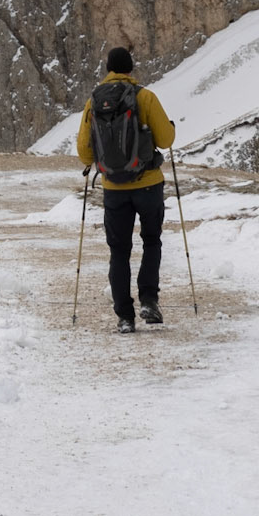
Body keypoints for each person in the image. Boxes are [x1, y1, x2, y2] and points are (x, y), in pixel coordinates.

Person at [76, 46, 175, 332]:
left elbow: (84, 150)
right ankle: (148, 300)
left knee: (118, 250)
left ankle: (124, 317)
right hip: (148, 185)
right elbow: (166, 139)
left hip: (113, 188)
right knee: (151, 241)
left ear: (108, 69)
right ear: (131, 69)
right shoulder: (145, 96)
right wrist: (168, 127)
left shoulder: (93, 101)